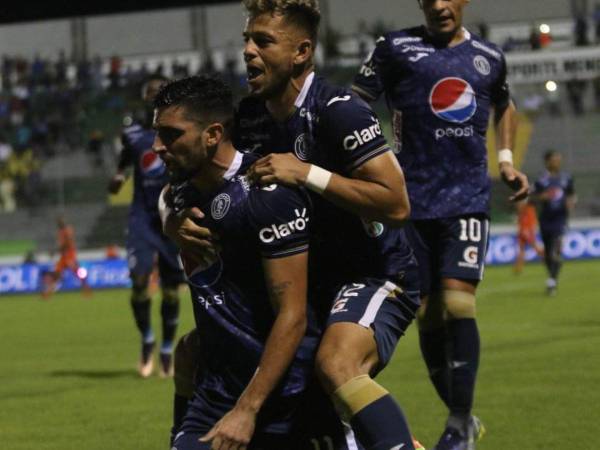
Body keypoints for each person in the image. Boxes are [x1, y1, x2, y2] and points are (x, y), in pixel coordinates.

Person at [165, 1, 423, 449]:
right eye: (247, 39)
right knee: (199, 351)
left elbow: (396, 204)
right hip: (312, 285)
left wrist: (308, 173)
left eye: (263, 41)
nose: (248, 51)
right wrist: (171, 218)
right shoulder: (249, 118)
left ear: (301, 51)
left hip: (377, 274)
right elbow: (193, 173)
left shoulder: (339, 110)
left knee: (336, 363)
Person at [351, 1, 529, 448]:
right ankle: (464, 420)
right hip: (408, 201)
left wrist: (505, 161)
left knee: (458, 304)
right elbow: (354, 102)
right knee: (428, 315)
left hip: (466, 199)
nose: (439, 6)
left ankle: (457, 422)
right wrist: (363, 157)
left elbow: (504, 104)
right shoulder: (394, 48)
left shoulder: (489, 57)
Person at [154, 75, 353, 450]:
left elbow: (293, 317)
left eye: (170, 135)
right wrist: (168, 219)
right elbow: (165, 196)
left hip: (287, 399)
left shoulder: (266, 195)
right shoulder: (183, 191)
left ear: (212, 134)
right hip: (216, 396)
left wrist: (247, 410)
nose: (157, 147)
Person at [108, 74, 185, 378]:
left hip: (170, 215)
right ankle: (147, 339)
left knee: (170, 291)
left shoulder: (183, 130)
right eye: (152, 92)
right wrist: (118, 177)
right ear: (145, 97)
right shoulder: (134, 133)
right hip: (141, 217)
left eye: (161, 91)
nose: (156, 95)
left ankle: (166, 347)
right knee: (139, 280)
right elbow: (125, 164)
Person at [531, 150, 576, 296]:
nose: (558, 162)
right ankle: (552, 276)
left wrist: (571, 203)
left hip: (560, 220)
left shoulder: (566, 178)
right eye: (555, 159)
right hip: (545, 220)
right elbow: (532, 198)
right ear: (547, 161)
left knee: (556, 250)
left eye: (559, 159)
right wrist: (540, 197)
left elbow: (571, 194)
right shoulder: (541, 179)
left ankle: (552, 281)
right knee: (548, 253)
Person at [41, 216, 91, 298]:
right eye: (58, 222)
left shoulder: (67, 230)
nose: (59, 223)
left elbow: (67, 244)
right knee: (57, 274)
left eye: (60, 221)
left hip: (70, 255)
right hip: (64, 256)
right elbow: (62, 244)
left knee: (78, 272)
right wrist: (57, 250)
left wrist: (55, 251)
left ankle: (86, 289)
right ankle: (48, 292)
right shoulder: (60, 232)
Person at [513, 199, 544, 275]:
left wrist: (527, 231)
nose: (517, 206)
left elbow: (531, 222)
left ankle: (547, 259)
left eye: (519, 203)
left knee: (535, 248)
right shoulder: (523, 211)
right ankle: (518, 267)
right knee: (522, 250)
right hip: (522, 232)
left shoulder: (529, 210)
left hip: (528, 232)